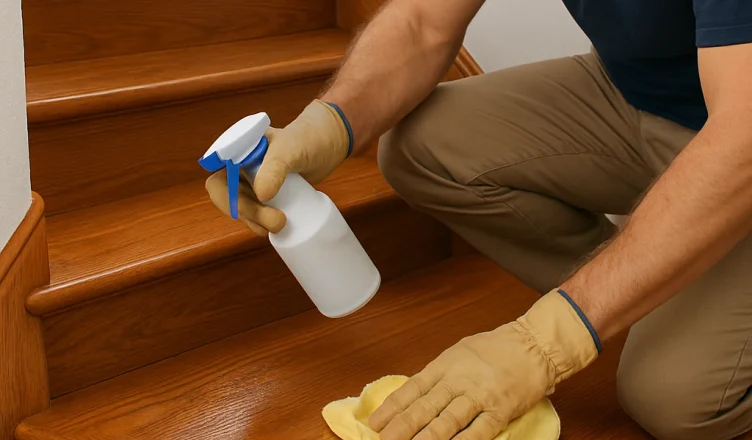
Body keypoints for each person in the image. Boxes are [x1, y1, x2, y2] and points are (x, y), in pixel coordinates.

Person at [205, 0, 752, 438]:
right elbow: (422, 20)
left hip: (739, 124)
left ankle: (663, 304)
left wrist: (545, 343)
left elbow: (742, 135)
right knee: (423, 146)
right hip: (638, 95)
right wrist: (326, 125)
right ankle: (654, 295)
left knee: (672, 400)